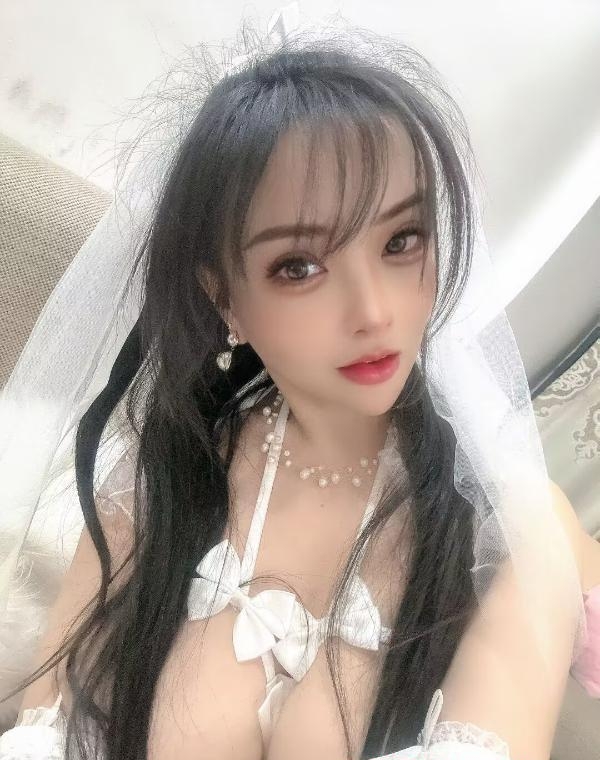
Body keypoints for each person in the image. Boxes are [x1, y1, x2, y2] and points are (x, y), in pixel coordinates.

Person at [0, 17, 592, 760]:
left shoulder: (504, 529)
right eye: (299, 267)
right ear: (225, 297)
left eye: (401, 240)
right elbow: (49, 733)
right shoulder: (160, 480)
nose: (374, 312)